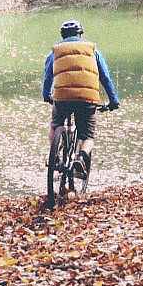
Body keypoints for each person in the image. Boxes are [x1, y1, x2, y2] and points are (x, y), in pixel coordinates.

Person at [42, 20, 119, 179]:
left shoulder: (56, 51)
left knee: (55, 124)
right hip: (87, 99)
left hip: (62, 96)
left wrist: (46, 95)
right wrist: (113, 100)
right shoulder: (92, 51)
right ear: (81, 35)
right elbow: (105, 77)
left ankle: (54, 156)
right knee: (88, 136)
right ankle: (82, 157)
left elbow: (48, 75)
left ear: (62, 36)